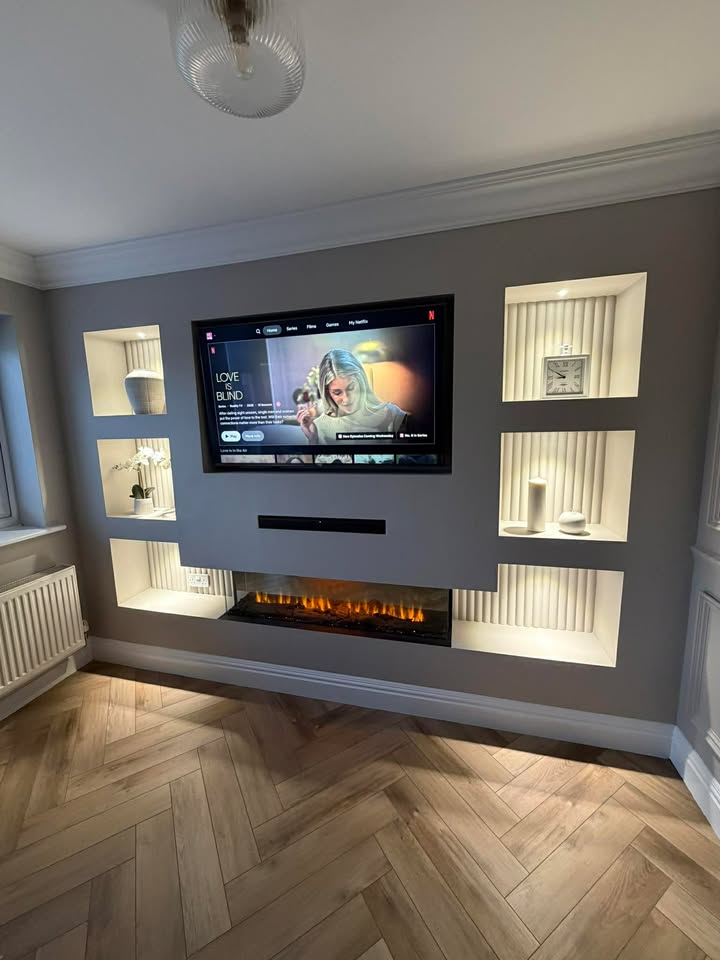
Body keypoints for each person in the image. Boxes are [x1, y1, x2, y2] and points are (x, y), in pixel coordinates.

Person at [297, 349, 407, 444]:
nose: (347, 399)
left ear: (361, 381)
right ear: (327, 393)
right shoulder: (318, 427)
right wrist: (313, 440)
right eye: (337, 393)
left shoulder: (393, 414)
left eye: (351, 388)